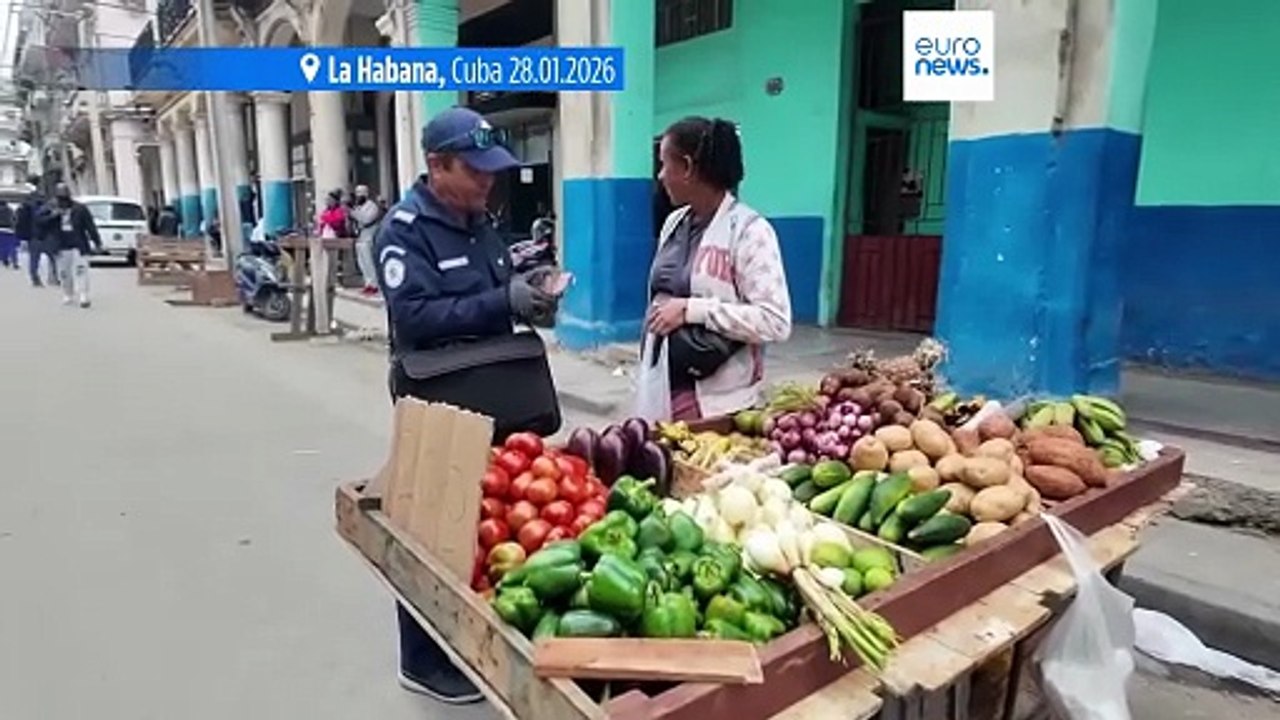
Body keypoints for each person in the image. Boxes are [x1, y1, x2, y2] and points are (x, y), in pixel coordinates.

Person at [375, 106, 559, 704]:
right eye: (475, 170)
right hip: (436, 400)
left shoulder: (482, 223)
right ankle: (421, 659)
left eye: (492, 171)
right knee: (429, 523)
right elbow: (417, 319)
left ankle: (467, 637)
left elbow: (494, 295)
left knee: (481, 526)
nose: (487, 182)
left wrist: (529, 298)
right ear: (437, 165)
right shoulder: (404, 232)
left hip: (493, 392)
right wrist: (498, 301)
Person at [646, 116, 792, 421]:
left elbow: (775, 321)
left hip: (720, 405)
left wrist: (691, 309)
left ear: (686, 167)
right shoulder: (673, 224)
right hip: (663, 386)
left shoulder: (750, 232)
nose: (660, 175)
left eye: (664, 164)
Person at [37, 183, 103, 308]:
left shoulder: (79, 208)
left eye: (65, 198)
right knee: (64, 272)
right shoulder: (50, 207)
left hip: (78, 245)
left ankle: (83, 295)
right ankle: (68, 293)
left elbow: (90, 226)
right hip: (60, 245)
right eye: (60, 198)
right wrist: (53, 216)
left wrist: (97, 242)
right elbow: (39, 222)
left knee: (81, 270)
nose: (63, 202)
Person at [16, 178, 57, 286]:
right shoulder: (42, 205)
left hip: (33, 236)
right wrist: (52, 216)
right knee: (52, 257)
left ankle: (36, 278)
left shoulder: (26, 204)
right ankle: (53, 278)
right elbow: (40, 220)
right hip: (44, 234)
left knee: (35, 259)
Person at [349, 184, 382, 295]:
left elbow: (366, 219)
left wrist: (354, 213)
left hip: (369, 236)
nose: (358, 196)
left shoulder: (372, 206)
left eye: (361, 194)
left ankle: (374, 284)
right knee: (362, 262)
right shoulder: (358, 207)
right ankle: (367, 283)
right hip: (360, 237)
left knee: (369, 261)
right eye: (357, 194)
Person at [0, 201, 17, 269]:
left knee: (2, 246)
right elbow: (15, 219)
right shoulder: (10, 211)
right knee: (11, 246)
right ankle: (14, 261)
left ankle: (4, 259)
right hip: (10, 230)